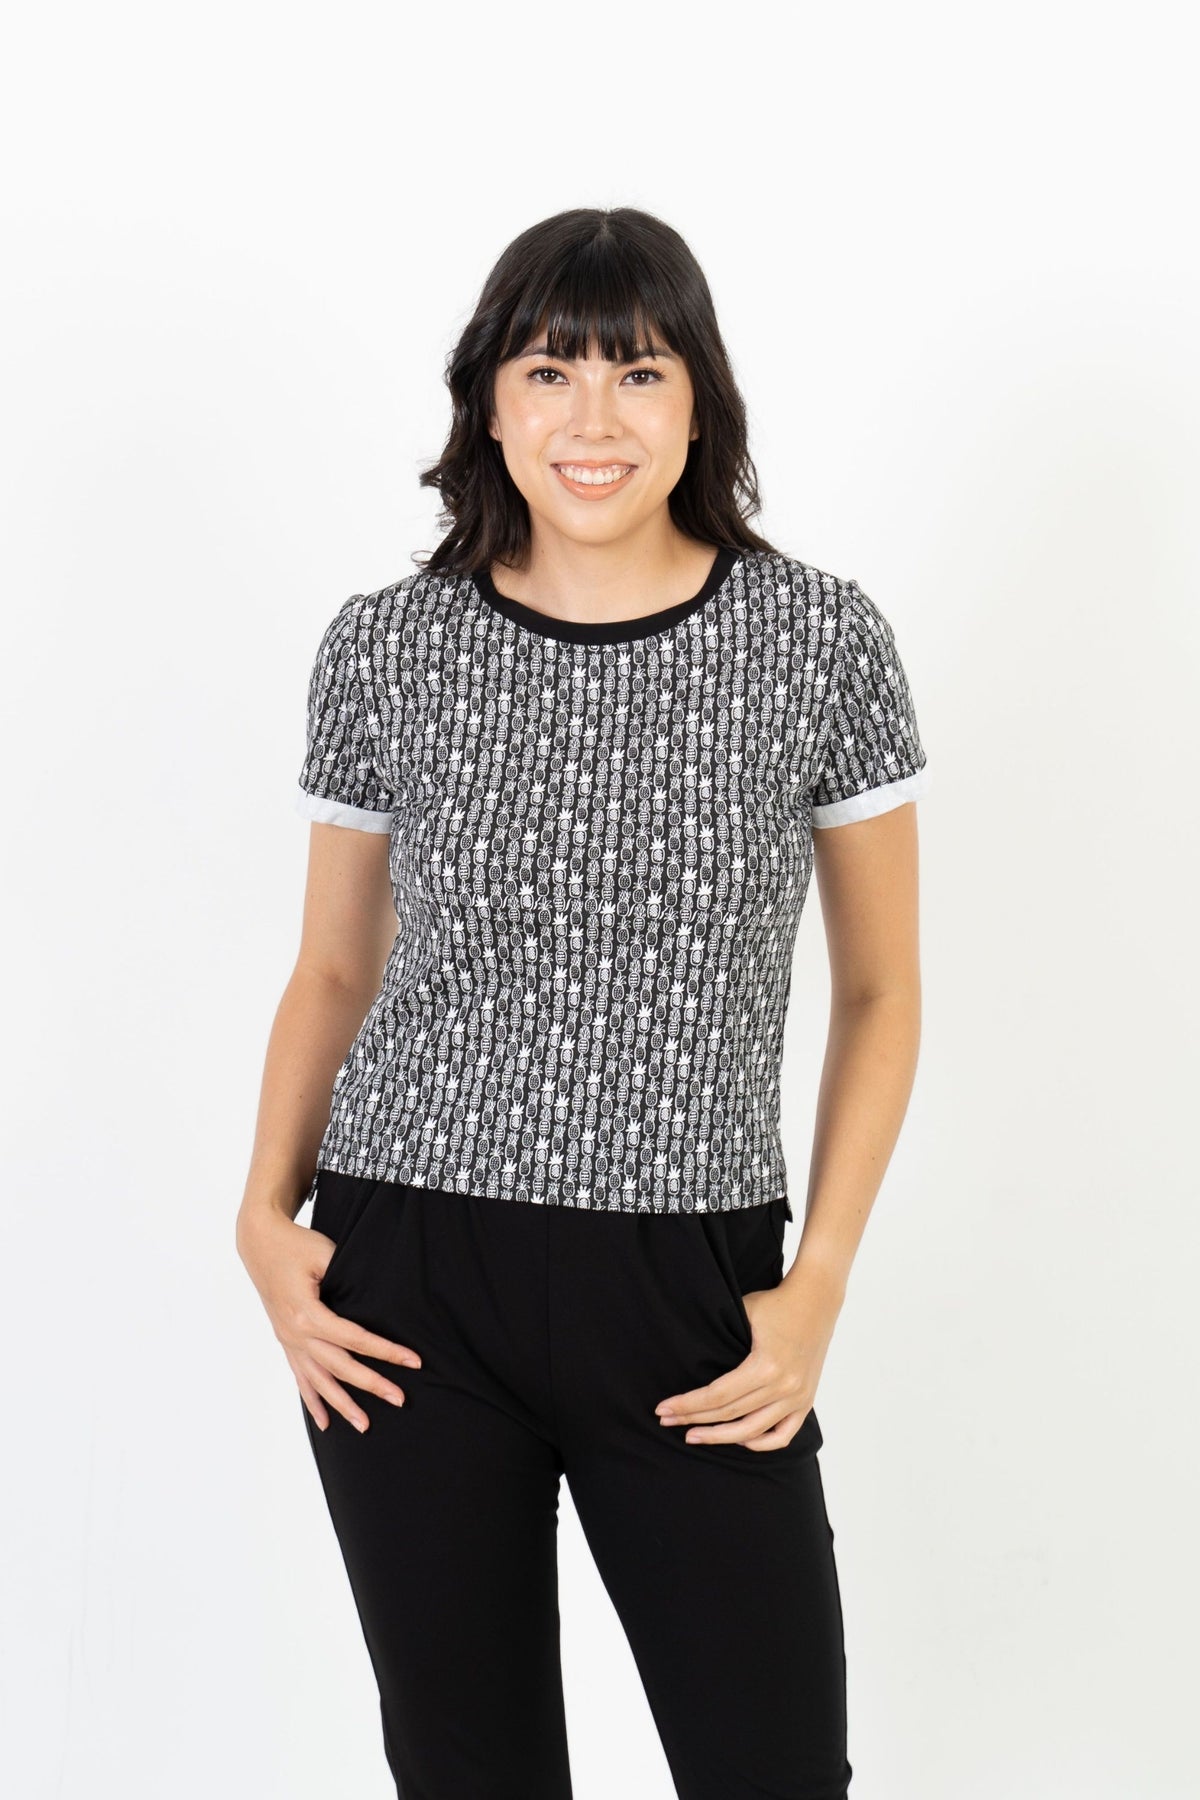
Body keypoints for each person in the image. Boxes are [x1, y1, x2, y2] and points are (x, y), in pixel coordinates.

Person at [236, 205, 931, 1800]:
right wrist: (264, 1220)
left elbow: (884, 989)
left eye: (640, 371)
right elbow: (333, 967)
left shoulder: (819, 643)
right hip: (406, 1282)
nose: (593, 418)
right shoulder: (389, 649)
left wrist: (818, 1281)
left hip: (690, 1293)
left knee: (772, 1769)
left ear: (700, 403)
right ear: (490, 401)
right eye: (551, 371)